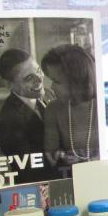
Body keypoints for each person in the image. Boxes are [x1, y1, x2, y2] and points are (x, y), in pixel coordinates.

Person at [0, 47, 55, 182]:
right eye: (29, 78)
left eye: (38, 70)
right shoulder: (8, 122)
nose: (39, 80)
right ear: (8, 84)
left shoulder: (48, 94)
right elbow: (31, 172)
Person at [41, 44, 99, 176]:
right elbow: (51, 154)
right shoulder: (53, 109)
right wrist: (62, 156)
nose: (51, 86)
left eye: (57, 81)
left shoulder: (102, 105)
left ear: (76, 81)